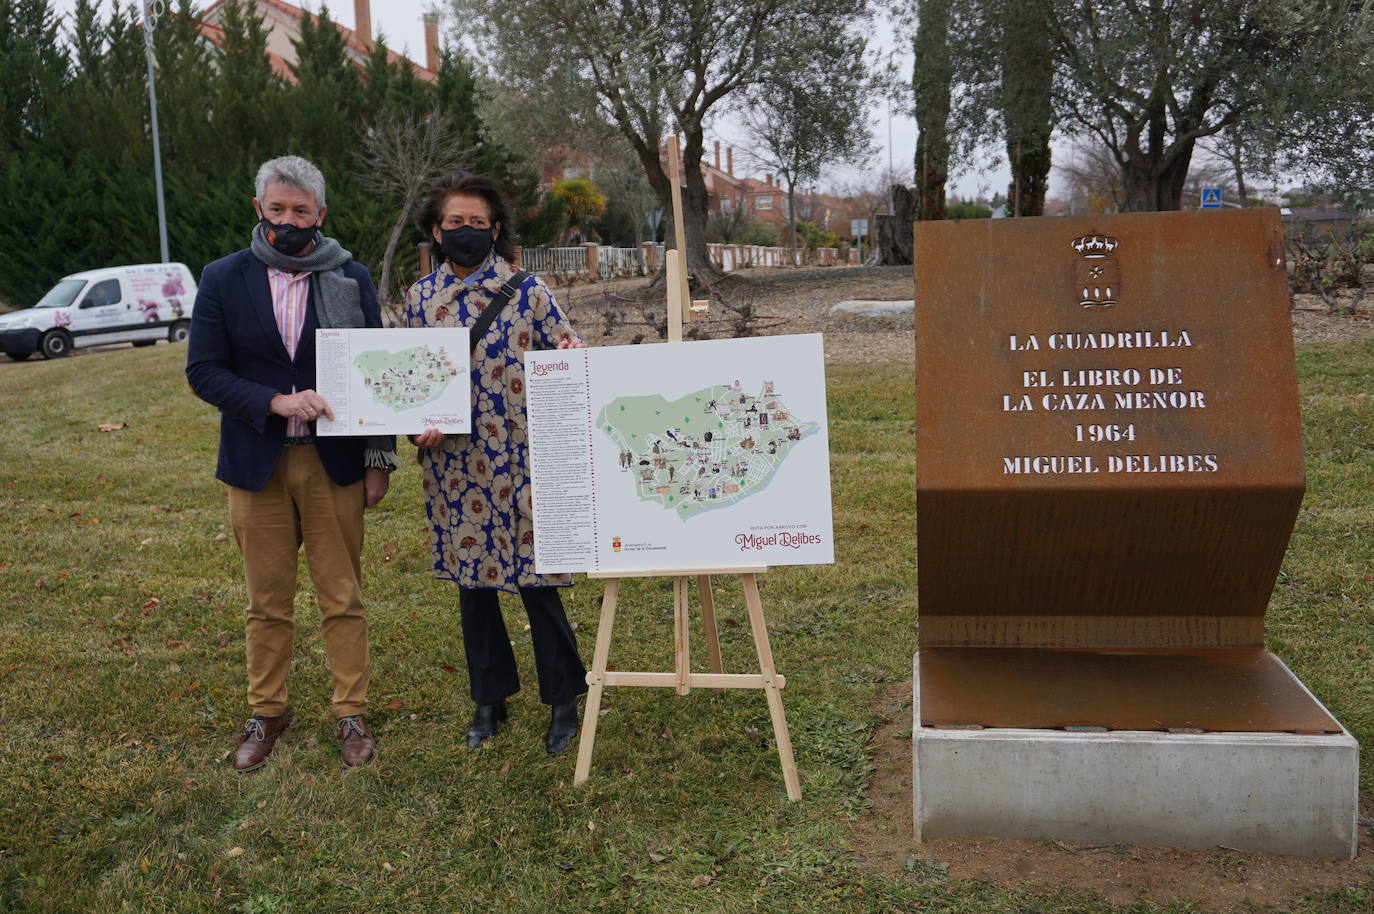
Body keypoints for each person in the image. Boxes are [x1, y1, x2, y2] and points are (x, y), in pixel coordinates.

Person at [186, 155, 397, 772]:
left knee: (342, 594)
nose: (287, 220)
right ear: (259, 210)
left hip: (333, 464)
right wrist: (273, 401)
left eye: (300, 211)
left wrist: (379, 459)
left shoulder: (350, 277)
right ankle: (267, 710)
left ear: (320, 215)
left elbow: (375, 372)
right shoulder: (224, 278)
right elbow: (203, 371)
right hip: (257, 464)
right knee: (267, 599)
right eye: (276, 209)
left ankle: (350, 710)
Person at [404, 173, 587, 754]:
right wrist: (415, 423)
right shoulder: (419, 300)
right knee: (472, 587)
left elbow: (568, 350)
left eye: (477, 223)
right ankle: (490, 697)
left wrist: (571, 356)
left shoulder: (529, 292)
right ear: (436, 229)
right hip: (456, 467)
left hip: (529, 458)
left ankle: (563, 699)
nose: (465, 231)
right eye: (454, 222)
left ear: (496, 229)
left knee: (539, 581)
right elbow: (408, 380)